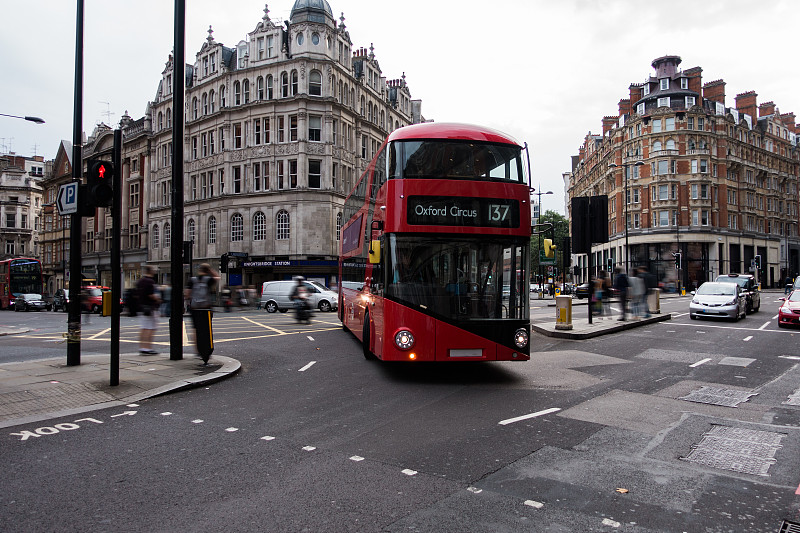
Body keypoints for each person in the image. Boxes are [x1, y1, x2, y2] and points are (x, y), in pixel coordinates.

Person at [186, 263, 220, 364]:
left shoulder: (192, 280)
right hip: (205, 309)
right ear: (207, 270)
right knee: (206, 330)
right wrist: (211, 270)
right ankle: (206, 349)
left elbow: (187, 294)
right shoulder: (208, 279)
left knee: (195, 329)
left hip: (195, 308)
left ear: (199, 270)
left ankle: (197, 351)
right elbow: (217, 277)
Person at [137, 265, 160, 355]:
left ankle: (142, 347)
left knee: (143, 328)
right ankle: (148, 348)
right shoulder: (150, 282)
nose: (155, 272)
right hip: (150, 308)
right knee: (150, 328)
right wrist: (158, 299)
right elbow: (151, 295)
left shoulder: (140, 281)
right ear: (150, 271)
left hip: (141, 307)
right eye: (154, 270)